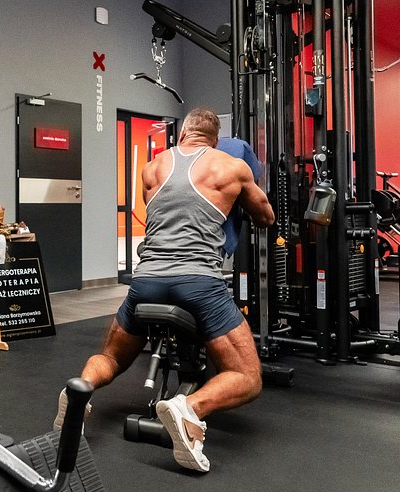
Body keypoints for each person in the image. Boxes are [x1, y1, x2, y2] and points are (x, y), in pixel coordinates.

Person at [54, 107, 274, 473]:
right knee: (248, 377)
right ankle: (188, 408)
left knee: (110, 358)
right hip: (198, 284)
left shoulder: (153, 167)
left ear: (183, 133)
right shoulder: (232, 167)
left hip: (145, 283)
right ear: (215, 140)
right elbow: (266, 217)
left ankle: (80, 389)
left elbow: (166, 211)